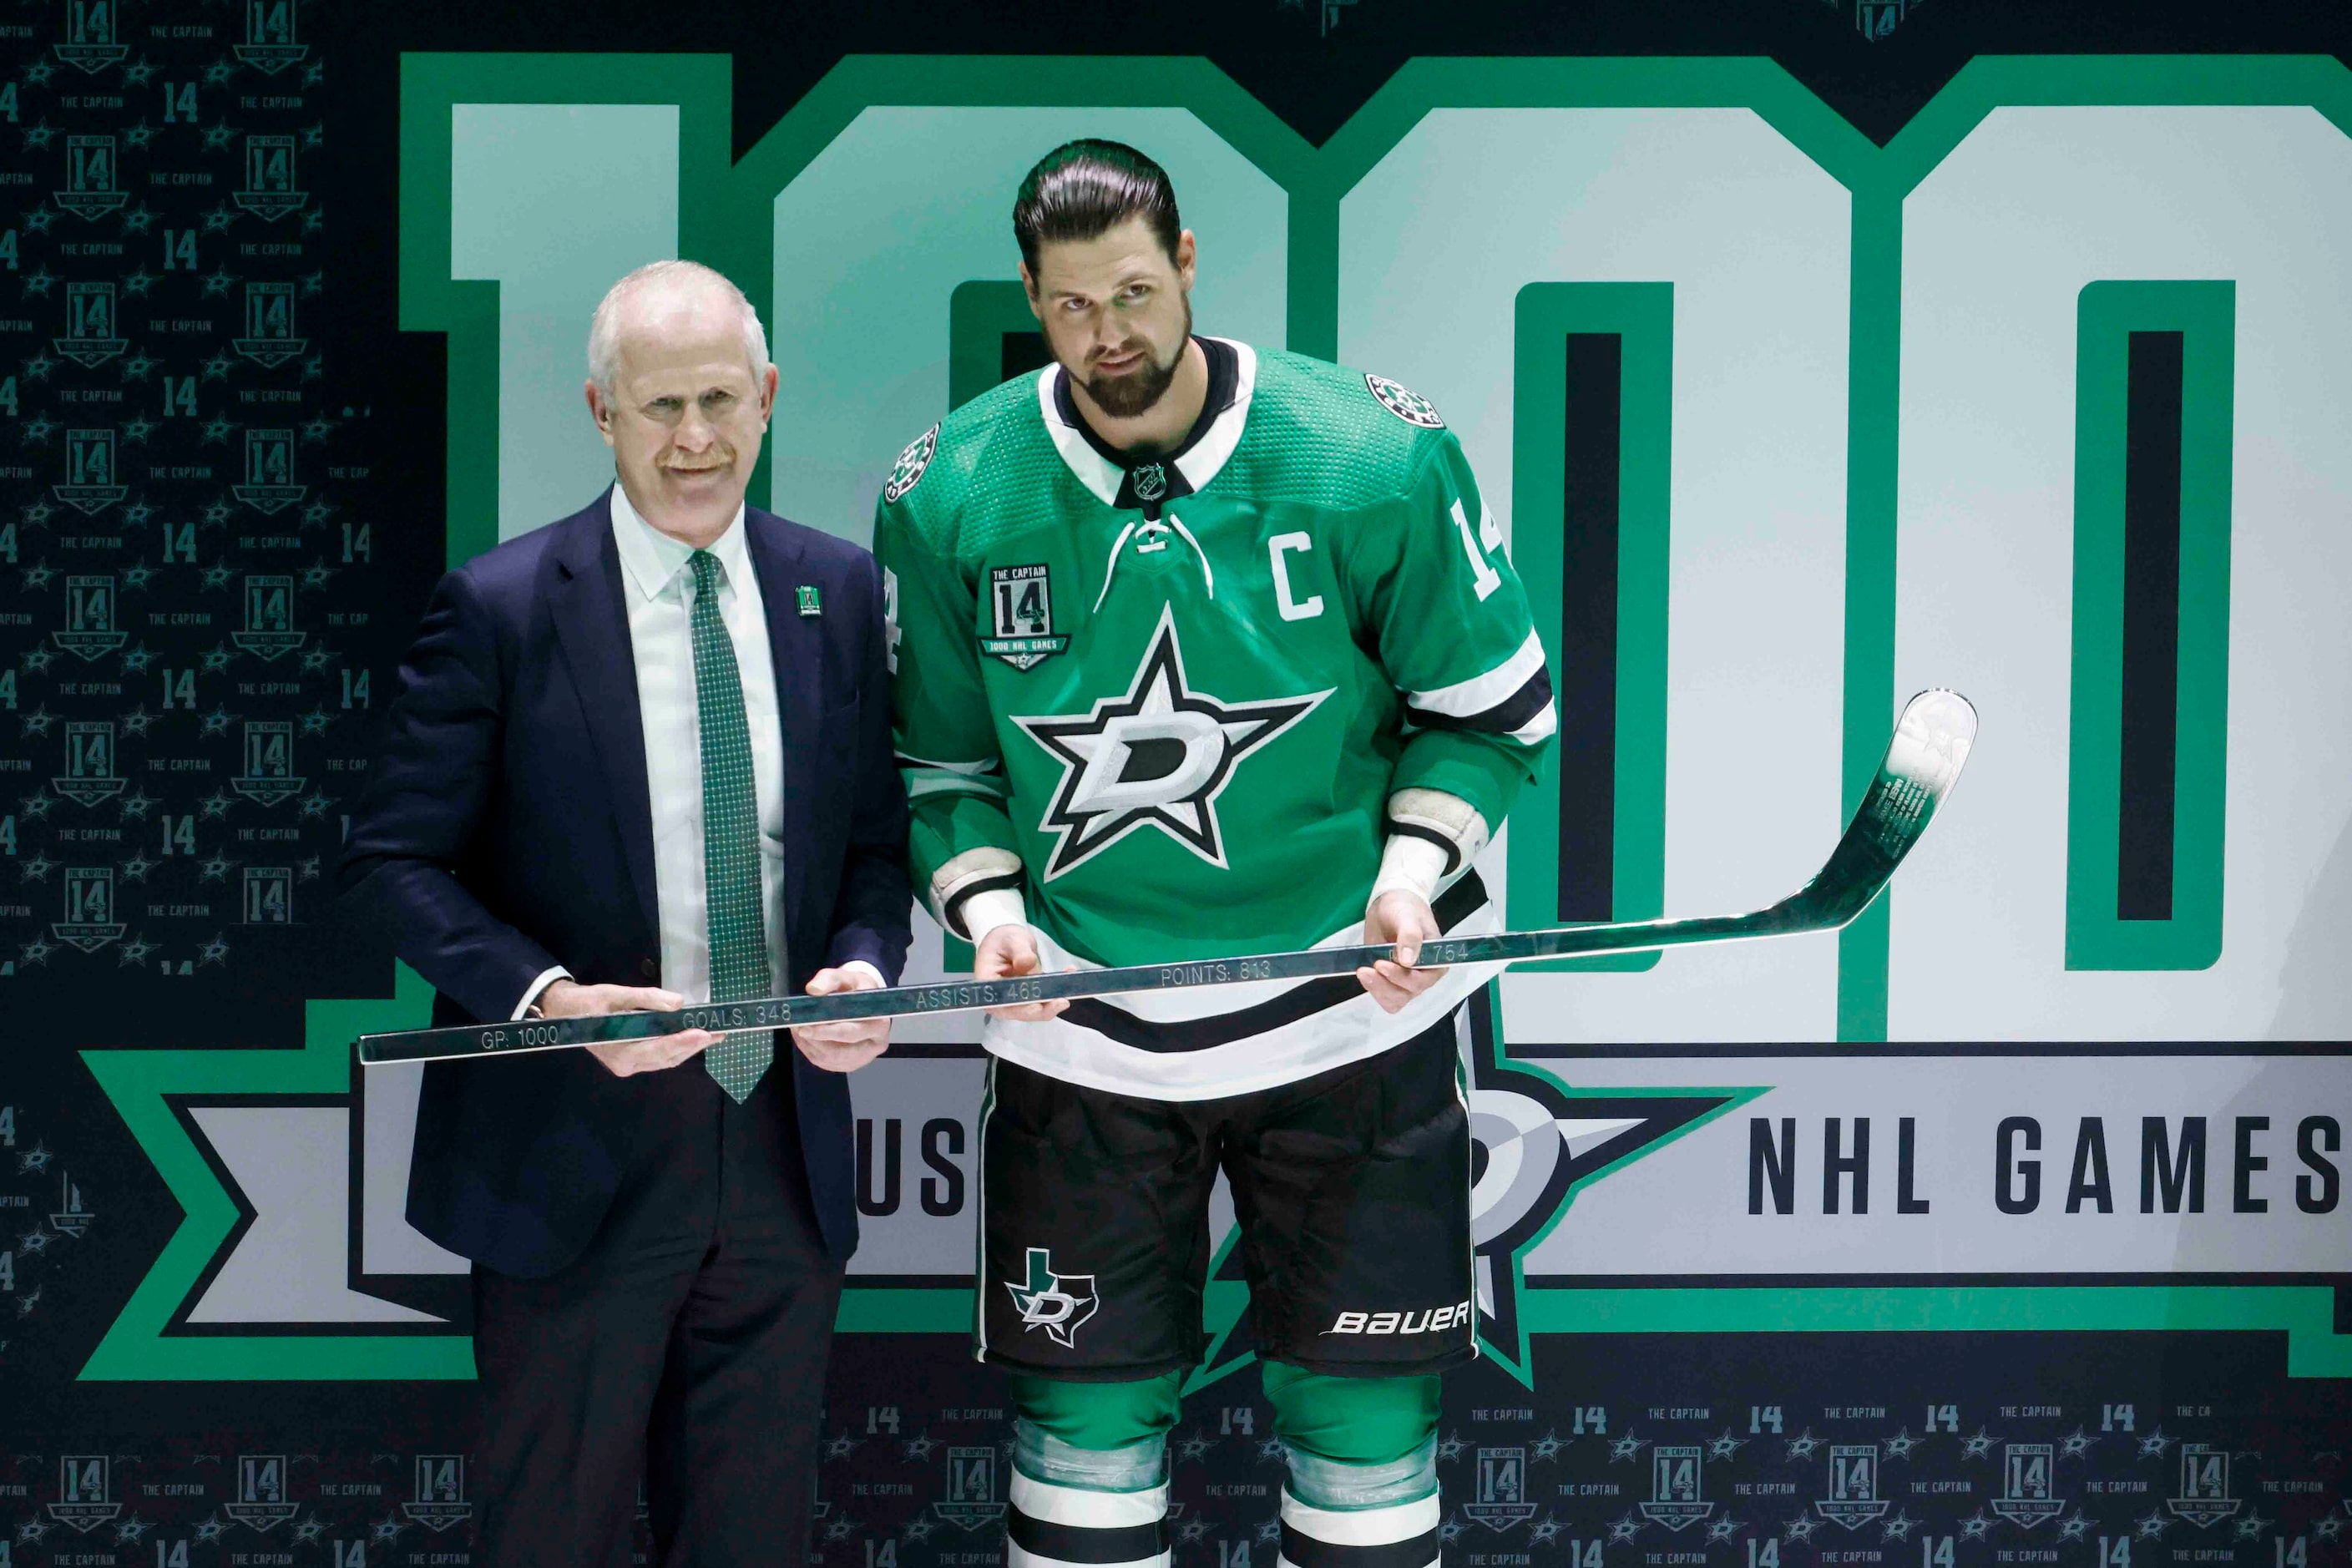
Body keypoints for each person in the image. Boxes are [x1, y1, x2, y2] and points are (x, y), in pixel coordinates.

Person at [874, 142, 1555, 1568]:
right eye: (1071, 307)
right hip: (1086, 1036)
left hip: (1344, 1019)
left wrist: (1408, 873)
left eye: (1132, 290)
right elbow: (940, 772)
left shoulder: (1369, 455)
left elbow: (1490, 714)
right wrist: (992, 911)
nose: (1109, 333)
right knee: (1084, 1435)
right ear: (1032, 300)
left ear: (1187, 262)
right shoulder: (951, 494)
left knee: (1366, 1436)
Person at [340, 259, 911, 1567]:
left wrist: (865, 964)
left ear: (767, 398)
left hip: (781, 1152)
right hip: (567, 1154)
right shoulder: (497, 608)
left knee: (752, 1537)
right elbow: (390, 863)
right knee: (552, 1532)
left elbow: (875, 846)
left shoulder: (837, 594)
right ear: (601, 411)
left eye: (720, 398)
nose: (694, 438)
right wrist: (546, 1004)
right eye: (659, 407)